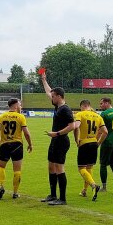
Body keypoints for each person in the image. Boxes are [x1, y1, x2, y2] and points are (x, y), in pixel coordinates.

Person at [41, 73, 75, 205]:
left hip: (61, 141)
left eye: (54, 96)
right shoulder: (58, 106)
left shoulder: (65, 109)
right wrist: (44, 80)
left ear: (59, 97)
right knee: (51, 167)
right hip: (55, 140)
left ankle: (62, 199)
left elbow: (72, 126)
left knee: (59, 168)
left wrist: (57, 134)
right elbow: (48, 93)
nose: (51, 97)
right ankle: (53, 195)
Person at [0, 98, 33, 199]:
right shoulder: (20, 117)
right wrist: (30, 144)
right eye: (20, 104)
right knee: (17, 170)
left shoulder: (1, 117)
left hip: (4, 145)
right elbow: (26, 133)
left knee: (1, 167)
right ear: (15, 105)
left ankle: (1, 186)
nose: (21, 106)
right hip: (17, 145)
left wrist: (1, 143)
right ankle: (15, 193)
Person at [74, 99, 108, 201]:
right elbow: (105, 132)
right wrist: (98, 143)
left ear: (82, 106)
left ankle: (93, 185)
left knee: (82, 168)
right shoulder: (98, 116)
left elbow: (76, 127)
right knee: (89, 167)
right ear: (89, 105)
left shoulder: (80, 114)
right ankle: (84, 190)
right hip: (94, 143)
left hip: (84, 143)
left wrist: (76, 140)